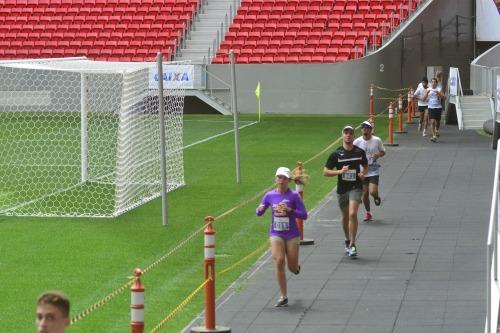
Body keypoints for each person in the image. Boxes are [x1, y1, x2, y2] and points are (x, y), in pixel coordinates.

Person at [256, 166, 307, 307]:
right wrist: (259, 209)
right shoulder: (269, 195)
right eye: (279, 177)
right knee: (279, 261)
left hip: (292, 234)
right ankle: (283, 296)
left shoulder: (294, 196)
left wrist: (290, 210)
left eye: (284, 178)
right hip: (276, 233)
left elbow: (304, 215)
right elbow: (259, 211)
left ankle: (296, 267)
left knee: (291, 268)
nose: (281, 180)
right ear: (275, 179)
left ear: (288, 180)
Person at [324, 125, 368, 257]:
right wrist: (340, 171)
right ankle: (347, 240)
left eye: (350, 133)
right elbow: (325, 172)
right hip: (342, 189)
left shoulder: (359, 152)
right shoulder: (336, 154)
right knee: (345, 217)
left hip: (356, 187)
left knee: (353, 213)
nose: (348, 135)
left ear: (354, 136)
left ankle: (353, 244)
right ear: (342, 135)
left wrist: (363, 173)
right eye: (346, 133)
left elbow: (365, 165)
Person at [353, 121, 386, 222]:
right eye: (362, 127)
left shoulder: (377, 140)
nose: (364, 129)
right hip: (362, 171)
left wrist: (378, 154)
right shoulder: (357, 142)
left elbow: (383, 151)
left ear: (371, 129)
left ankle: (377, 196)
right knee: (365, 194)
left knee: (372, 191)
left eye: (366, 127)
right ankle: (368, 213)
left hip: (373, 169)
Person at [423, 78, 447, 142]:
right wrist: (427, 93)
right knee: (432, 121)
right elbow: (423, 99)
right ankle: (434, 136)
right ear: (430, 83)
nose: (433, 83)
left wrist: (438, 93)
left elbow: (445, 98)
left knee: (437, 122)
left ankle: (436, 130)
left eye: (434, 82)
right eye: (432, 82)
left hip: (438, 107)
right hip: (431, 107)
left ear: (436, 83)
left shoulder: (439, 89)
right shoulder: (428, 89)